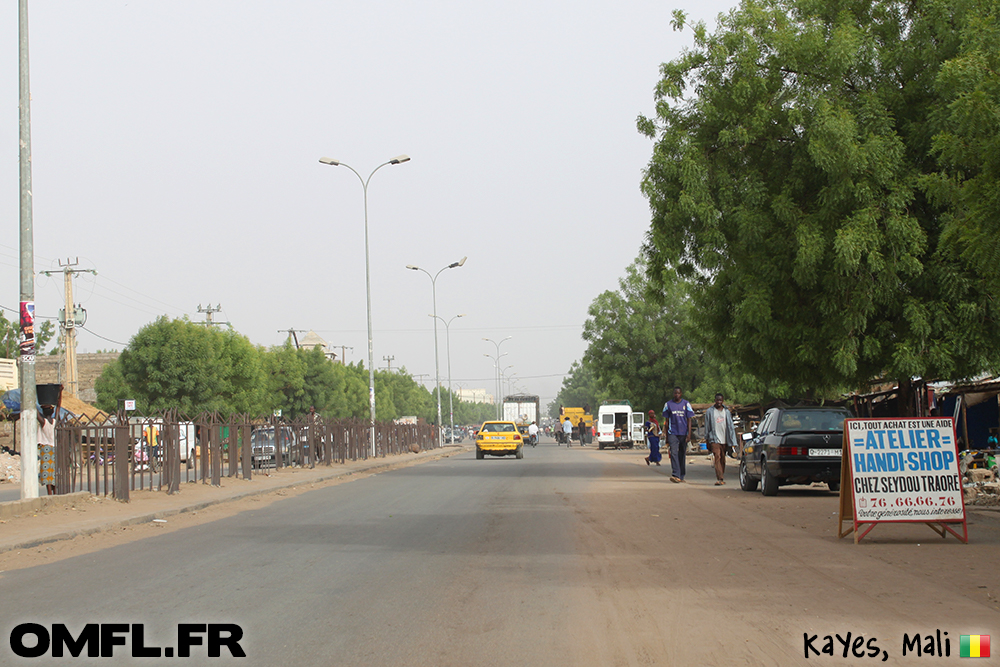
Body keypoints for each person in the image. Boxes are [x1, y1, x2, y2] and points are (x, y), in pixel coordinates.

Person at [662, 386, 694, 483]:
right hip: (673, 433)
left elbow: (689, 420)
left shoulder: (686, 404)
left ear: (681, 394)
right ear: (673, 394)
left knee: (682, 454)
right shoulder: (668, 405)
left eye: (678, 393)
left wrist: (689, 434)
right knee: (674, 452)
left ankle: (681, 475)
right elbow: (666, 421)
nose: (677, 395)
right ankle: (675, 474)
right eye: (675, 393)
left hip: (683, 433)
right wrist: (666, 435)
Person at [704, 393, 737, 485]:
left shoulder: (726, 412)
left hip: (725, 439)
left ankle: (721, 475)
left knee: (722, 458)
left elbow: (731, 427)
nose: (719, 402)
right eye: (717, 400)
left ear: (723, 401)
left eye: (720, 400)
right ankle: (719, 478)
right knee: (717, 456)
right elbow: (707, 426)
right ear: (715, 400)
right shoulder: (710, 412)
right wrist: (707, 439)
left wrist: (733, 441)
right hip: (714, 439)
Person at [37, 406, 56, 495]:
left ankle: (49, 492)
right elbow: (59, 408)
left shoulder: (44, 422)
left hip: (46, 449)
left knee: (46, 472)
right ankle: (55, 491)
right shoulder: (55, 422)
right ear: (52, 412)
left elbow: (36, 415)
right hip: (54, 448)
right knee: (53, 471)